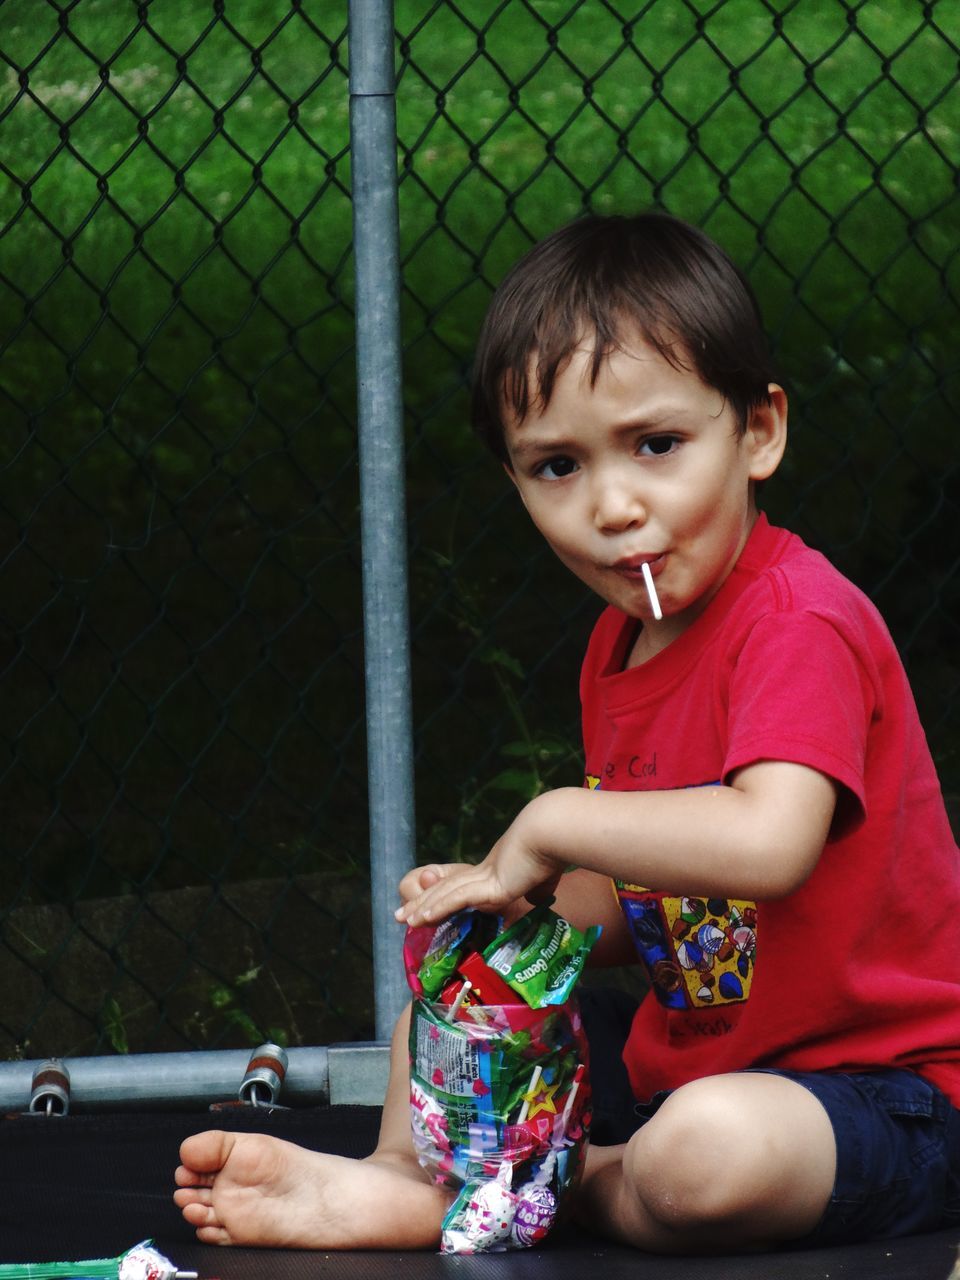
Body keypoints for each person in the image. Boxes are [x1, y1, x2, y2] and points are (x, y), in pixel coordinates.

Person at [174, 212, 960, 1253]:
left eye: (658, 444)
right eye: (557, 466)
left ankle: (555, 1174)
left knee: (702, 1154)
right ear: (514, 479)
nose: (615, 504)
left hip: (883, 1094)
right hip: (698, 1066)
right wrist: (515, 898)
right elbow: (645, 891)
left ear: (759, 431)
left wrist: (551, 821)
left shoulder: (796, 621)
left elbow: (770, 844)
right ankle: (402, 1175)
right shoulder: (618, 645)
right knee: (453, 1011)